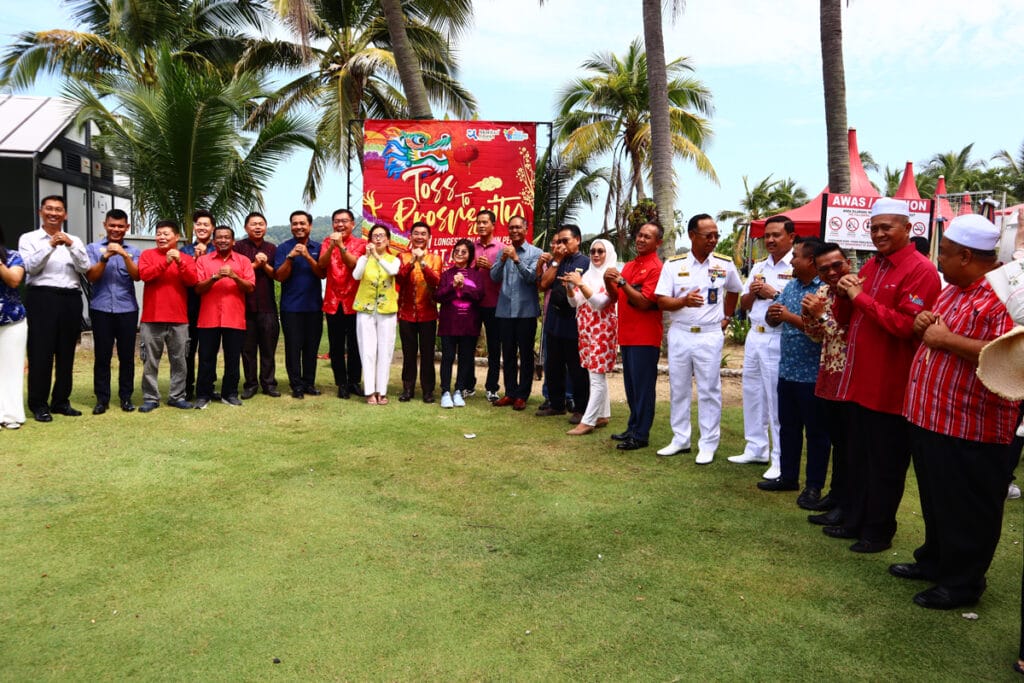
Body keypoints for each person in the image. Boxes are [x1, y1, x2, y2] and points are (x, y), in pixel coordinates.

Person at [894, 214, 1017, 610]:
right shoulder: (953, 289)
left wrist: (947, 339)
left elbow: (1013, 357)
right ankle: (934, 561)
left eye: (943, 254)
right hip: (931, 418)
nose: (939, 261)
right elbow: (930, 329)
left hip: (972, 424)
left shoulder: (1006, 296)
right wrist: (927, 322)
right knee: (936, 499)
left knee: (969, 508)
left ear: (966, 256)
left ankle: (963, 584)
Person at [823, 197, 941, 553]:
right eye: (874, 227)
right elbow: (847, 320)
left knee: (885, 465)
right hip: (859, 384)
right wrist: (843, 293)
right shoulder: (873, 266)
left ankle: (878, 531)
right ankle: (855, 520)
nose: (878, 234)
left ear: (908, 229)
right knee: (858, 459)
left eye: (886, 227)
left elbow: (907, 327)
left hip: (891, 388)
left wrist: (858, 297)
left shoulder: (920, 270)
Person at [654, 215, 742, 463]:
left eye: (716, 235)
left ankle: (708, 443)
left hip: (709, 334)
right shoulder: (674, 265)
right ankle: (680, 438)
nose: (713, 240)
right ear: (692, 235)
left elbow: (735, 289)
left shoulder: (723, 263)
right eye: (708, 235)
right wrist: (683, 301)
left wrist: (727, 317)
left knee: (709, 390)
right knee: (679, 387)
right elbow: (661, 300)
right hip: (681, 332)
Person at [761, 237, 829, 507]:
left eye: (796, 256)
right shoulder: (791, 286)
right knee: (788, 427)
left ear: (811, 260)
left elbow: (822, 329)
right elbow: (773, 317)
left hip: (812, 375)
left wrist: (788, 316)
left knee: (816, 433)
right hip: (787, 371)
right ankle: (788, 476)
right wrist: (774, 313)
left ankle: (814, 486)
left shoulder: (823, 291)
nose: (791, 260)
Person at [728, 216, 795, 479]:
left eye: (776, 235)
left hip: (777, 337)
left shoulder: (797, 266)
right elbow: (743, 305)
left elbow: (799, 303)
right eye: (767, 235)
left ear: (791, 236)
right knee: (753, 393)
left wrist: (773, 293)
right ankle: (756, 447)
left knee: (775, 400)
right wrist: (754, 292)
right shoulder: (758, 266)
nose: (770, 240)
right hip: (754, 337)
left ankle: (779, 458)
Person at [19, 195, 90, 422]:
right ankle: (39, 404)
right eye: (49, 209)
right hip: (41, 297)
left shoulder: (75, 240)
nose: (53, 213)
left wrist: (70, 246)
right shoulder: (29, 239)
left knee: (66, 352)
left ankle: (61, 401)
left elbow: (85, 267)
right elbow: (30, 267)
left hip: (70, 298)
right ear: (41, 212)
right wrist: (50, 245)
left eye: (58, 210)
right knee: (41, 352)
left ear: (65, 214)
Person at [801, 242, 854, 526]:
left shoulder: (856, 289)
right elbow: (817, 336)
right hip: (828, 376)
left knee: (848, 445)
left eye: (837, 265)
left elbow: (847, 334)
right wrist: (810, 315)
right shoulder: (822, 291)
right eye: (824, 269)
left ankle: (845, 503)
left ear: (848, 262)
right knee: (837, 440)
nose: (832, 272)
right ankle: (835, 495)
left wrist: (820, 314)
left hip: (851, 378)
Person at [604, 222, 665, 452]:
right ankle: (633, 427)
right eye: (639, 235)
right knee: (631, 387)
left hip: (645, 337)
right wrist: (608, 280)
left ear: (657, 242)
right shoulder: (629, 266)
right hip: (627, 336)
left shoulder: (657, 268)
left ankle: (641, 434)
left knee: (643, 388)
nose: (640, 239)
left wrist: (621, 281)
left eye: (647, 237)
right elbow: (615, 296)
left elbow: (644, 301)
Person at [137, 220, 199, 412]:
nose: (161, 237)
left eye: (166, 234)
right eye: (158, 234)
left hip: (179, 319)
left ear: (176, 237)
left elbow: (192, 281)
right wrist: (165, 262)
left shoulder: (186, 258)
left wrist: (180, 262)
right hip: (151, 317)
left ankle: (177, 396)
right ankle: (150, 397)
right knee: (150, 361)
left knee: (179, 360)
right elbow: (145, 275)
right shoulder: (148, 255)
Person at [85, 209, 141, 414]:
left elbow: (137, 276)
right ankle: (102, 399)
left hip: (127, 309)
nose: (116, 229)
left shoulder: (135, 251)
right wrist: (105, 257)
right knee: (102, 356)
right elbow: (91, 277)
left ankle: (126, 397)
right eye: (112, 225)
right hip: (101, 309)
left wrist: (125, 255)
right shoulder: (92, 248)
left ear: (127, 227)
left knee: (127, 356)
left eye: (120, 226)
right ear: (105, 225)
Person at [194, 225, 255, 408]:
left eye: (226, 237)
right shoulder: (204, 261)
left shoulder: (243, 261)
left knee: (233, 358)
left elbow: (250, 287)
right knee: (206, 358)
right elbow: (197, 288)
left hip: (234, 318)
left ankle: (230, 393)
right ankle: (203, 395)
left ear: (233, 241)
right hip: (208, 317)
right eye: (219, 237)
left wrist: (235, 276)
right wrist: (214, 278)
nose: (222, 240)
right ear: (213, 241)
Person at [536, 225, 590, 421]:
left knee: (577, 369)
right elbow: (543, 284)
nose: (561, 245)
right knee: (553, 366)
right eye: (558, 241)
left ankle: (581, 408)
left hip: (574, 322)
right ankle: (556, 404)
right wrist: (556, 261)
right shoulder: (555, 261)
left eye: (565, 241)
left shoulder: (585, 262)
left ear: (577, 240)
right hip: (554, 320)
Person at [564, 238, 618, 435]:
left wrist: (580, 284)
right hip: (586, 329)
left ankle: (588, 420)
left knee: (596, 376)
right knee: (593, 372)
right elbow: (574, 302)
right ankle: (602, 414)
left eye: (600, 251)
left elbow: (600, 302)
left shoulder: (611, 275)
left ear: (608, 254)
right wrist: (570, 287)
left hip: (603, 330)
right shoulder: (587, 275)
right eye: (593, 251)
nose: (596, 255)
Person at [491, 215, 542, 410]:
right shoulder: (502, 252)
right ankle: (510, 393)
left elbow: (532, 278)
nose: (514, 231)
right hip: (504, 311)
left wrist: (517, 260)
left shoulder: (535, 252)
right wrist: (504, 259)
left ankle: (523, 395)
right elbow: (494, 277)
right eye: (511, 228)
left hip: (526, 311)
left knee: (526, 355)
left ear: (526, 228)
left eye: (518, 227)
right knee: (508, 353)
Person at [274, 210, 324, 399]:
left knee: (311, 348)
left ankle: (309, 383)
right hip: (291, 308)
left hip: (314, 307)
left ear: (310, 226)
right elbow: (279, 277)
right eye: (295, 224)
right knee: (293, 348)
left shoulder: (318, 247)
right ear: (291, 227)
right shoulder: (283, 248)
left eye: (302, 223)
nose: (299, 227)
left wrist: (308, 256)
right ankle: (296, 385)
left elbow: (322, 273)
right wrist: (291, 257)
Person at [233, 211, 280, 399]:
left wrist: (265, 265)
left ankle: (269, 384)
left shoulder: (272, 248)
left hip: (267, 306)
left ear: (266, 227)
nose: (258, 227)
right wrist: (254, 264)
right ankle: (250, 384)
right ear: (246, 228)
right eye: (253, 224)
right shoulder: (238, 247)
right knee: (248, 349)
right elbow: (237, 273)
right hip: (245, 306)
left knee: (268, 348)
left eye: (261, 224)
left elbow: (276, 275)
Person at [353, 224, 400, 405]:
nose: (378, 239)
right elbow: (356, 276)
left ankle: (382, 391)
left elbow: (393, 271)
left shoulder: (393, 259)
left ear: (388, 240)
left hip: (386, 309)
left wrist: (378, 257)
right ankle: (370, 391)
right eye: (375, 236)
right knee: (368, 350)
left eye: (382, 236)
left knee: (385, 350)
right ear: (370, 239)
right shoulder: (363, 259)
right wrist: (366, 257)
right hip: (365, 309)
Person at [436, 239, 485, 409]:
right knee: (447, 358)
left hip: (469, 324)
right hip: (449, 324)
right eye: (457, 251)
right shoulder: (446, 274)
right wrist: (452, 286)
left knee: (465, 359)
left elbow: (479, 295)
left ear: (470, 255)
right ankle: (445, 392)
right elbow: (439, 296)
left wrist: (463, 286)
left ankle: (459, 390)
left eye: (464, 252)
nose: (459, 254)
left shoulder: (476, 275)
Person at [396, 221, 441, 402]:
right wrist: (412, 261)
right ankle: (408, 389)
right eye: (416, 233)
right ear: (410, 237)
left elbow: (436, 280)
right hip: (406, 313)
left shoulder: (435, 258)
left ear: (429, 238)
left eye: (423, 234)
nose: (420, 237)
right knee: (408, 354)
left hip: (428, 313)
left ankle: (428, 391)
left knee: (428, 354)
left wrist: (422, 262)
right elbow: (399, 278)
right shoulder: (402, 256)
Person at [181, 209, 215, 400]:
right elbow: (185, 278)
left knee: (208, 351)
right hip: (190, 307)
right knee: (188, 349)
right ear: (194, 228)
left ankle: (207, 388)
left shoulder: (218, 250)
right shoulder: (184, 251)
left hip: (211, 306)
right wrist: (195, 259)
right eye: (199, 224)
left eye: (206, 225)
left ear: (212, 228)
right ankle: (187, 388)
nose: (202, 228)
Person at [470, 209, 503, 401]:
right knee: (468, 347)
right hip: (472, 304)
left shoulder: (501, 248)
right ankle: (468, 385)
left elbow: (506, 276)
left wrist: (491, 267)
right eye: (479, 222)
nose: (481, 225)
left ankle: (492, 388)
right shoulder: (470, 247)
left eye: (485, 222)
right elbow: (463, 272)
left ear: (493, 225)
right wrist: (475, 267)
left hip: (494, 303)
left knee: (494, 347)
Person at [0, 224, 27, 429]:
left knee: (12, 368)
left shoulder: (12, 256)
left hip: (12, 321)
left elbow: (14, 280)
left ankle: (11, 415)